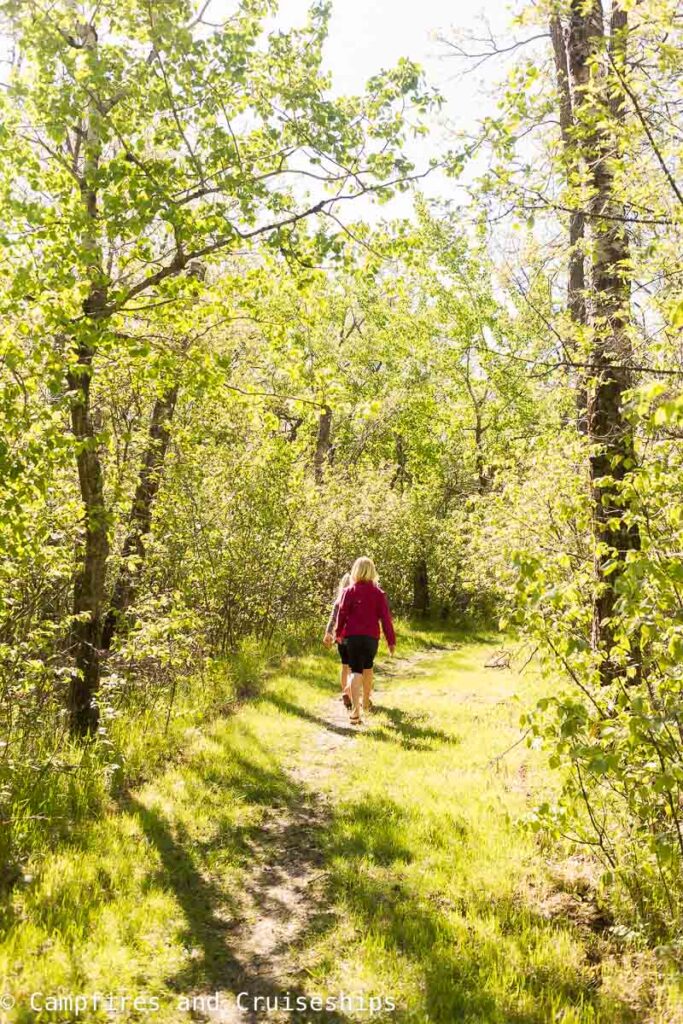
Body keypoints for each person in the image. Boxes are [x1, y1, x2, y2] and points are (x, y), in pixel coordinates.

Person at [335, 556, 396, 725]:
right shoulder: (378, 594)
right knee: (368, 667)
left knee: (355, 671)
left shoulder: (348, 591)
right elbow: (386, 619)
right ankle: (366, 702)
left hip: (353, 637)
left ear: (355, 571)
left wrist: (338, 632)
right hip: (371, 638)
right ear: (372, 571)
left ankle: (355, 712)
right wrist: (391, 641)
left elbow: (342, 614)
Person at [323, 572, 352, 708]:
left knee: (344, 666)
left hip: (340, 639)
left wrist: (328, 633)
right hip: (353, 638)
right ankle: (350, 692)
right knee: (354, 669)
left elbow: (332, 620)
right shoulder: (354, 600)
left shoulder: (338, 602)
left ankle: (344, 692)